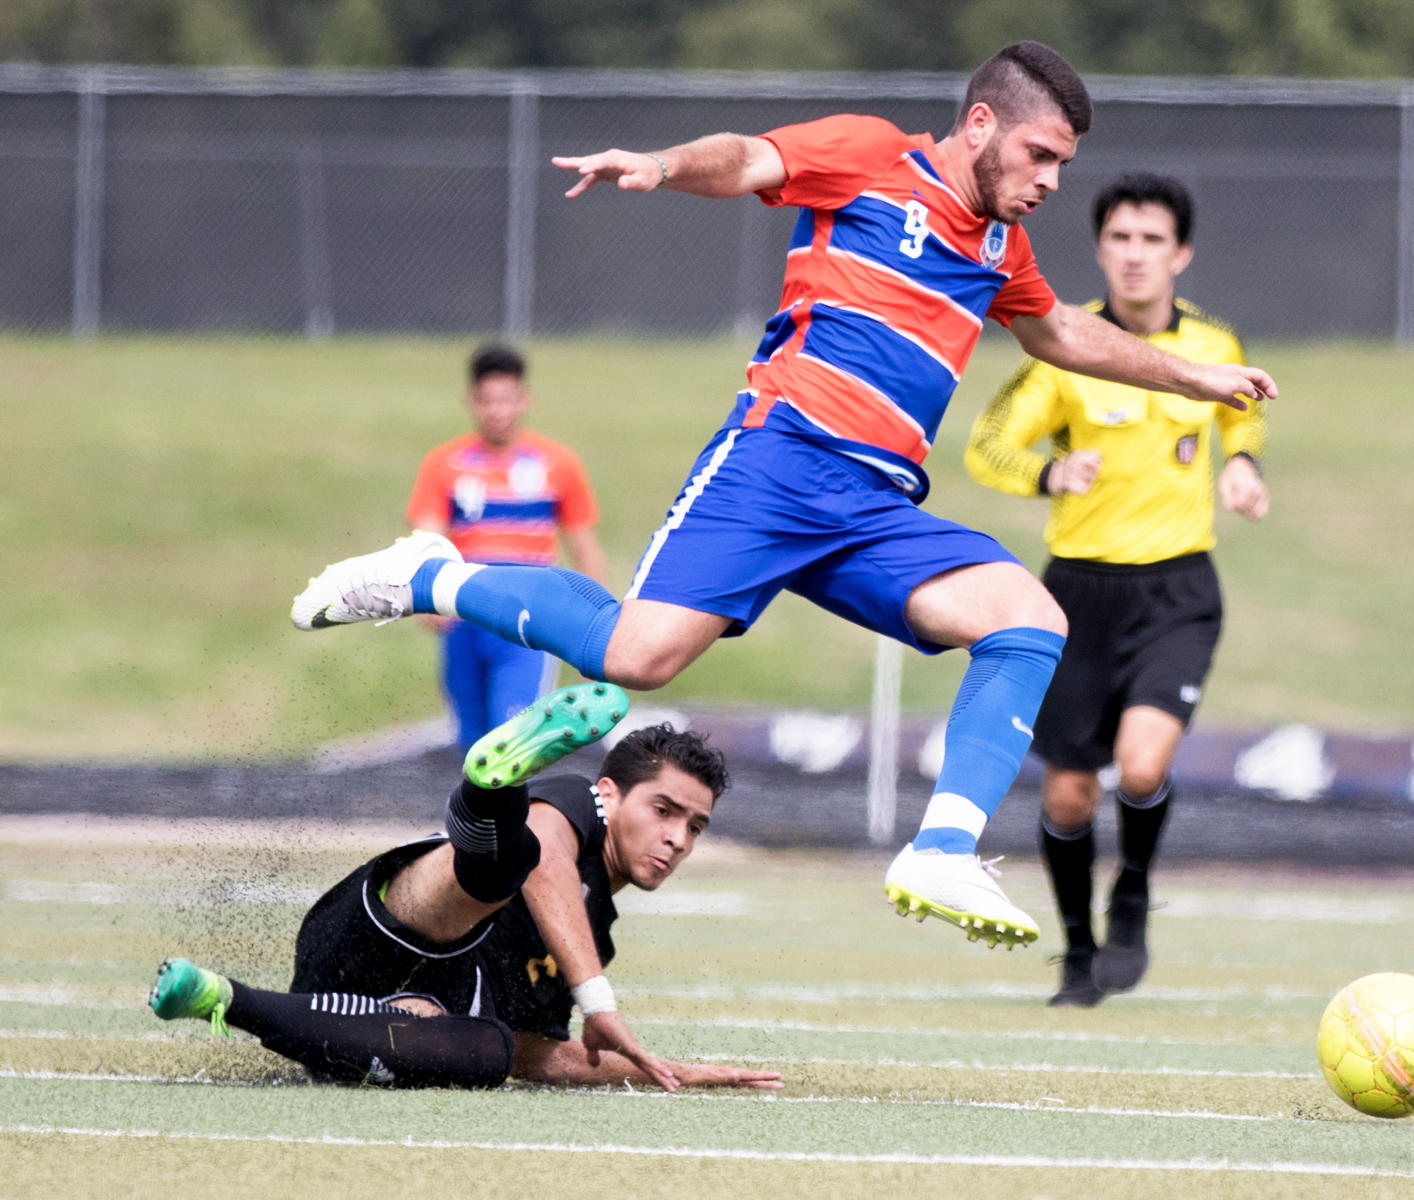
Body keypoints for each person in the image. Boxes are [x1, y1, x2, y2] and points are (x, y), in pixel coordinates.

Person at [291, 42, 1276, 950]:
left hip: (874, 508)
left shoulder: (1000, 249)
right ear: (981, 125)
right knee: (638, 654)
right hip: (779, 461)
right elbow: (749, 158)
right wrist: (666, 165)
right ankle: (433, 574)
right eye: (1041, 154)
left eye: (1062, 164)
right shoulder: (873, 156)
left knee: (1028, 621)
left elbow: (1061, 332)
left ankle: (941, 850)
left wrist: (1199, 378)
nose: (1052, 182)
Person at [149, 688, 778, 1094]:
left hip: (347, 1022)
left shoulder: (594, 938)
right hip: (383, 925)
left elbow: (541, 1057)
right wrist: (599, 1001)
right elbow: (545, 863)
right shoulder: (572, 804)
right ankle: (488, 793)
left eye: (694, 825)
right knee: (508, 868)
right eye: (664, 810)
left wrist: (669, 1071)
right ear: (609, 793)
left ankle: (217, 996)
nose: (678, 839)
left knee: (490, 1052)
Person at [965, 173, 1268, 1006]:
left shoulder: (1213, 345)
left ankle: (1132, 888)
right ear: (1100, 250)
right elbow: (986, 446)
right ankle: (1078, 952)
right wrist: (1048, 471)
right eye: (1120, 240)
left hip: (1177, 593)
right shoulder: (1063, 347)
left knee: (1140, 767)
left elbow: (1242, 410)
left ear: (1182, 254)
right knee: (1067, 789)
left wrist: (1242, 462)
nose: (1135, 257)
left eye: (1152, 241)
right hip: (1077, 596)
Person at [408, 345, 604, 752]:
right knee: (470, 741)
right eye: (487, 401)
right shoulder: (445, 464)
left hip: (526, 620)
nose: (498, 411)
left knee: (512, 737)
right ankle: (474, 818)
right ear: (472, 402)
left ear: (524, 399)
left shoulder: (558, 464)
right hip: (462, 613)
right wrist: (422, 598)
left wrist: (595, 632)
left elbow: (585, 548)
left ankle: (514, 818)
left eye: (507, 399)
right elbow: (425, 537)